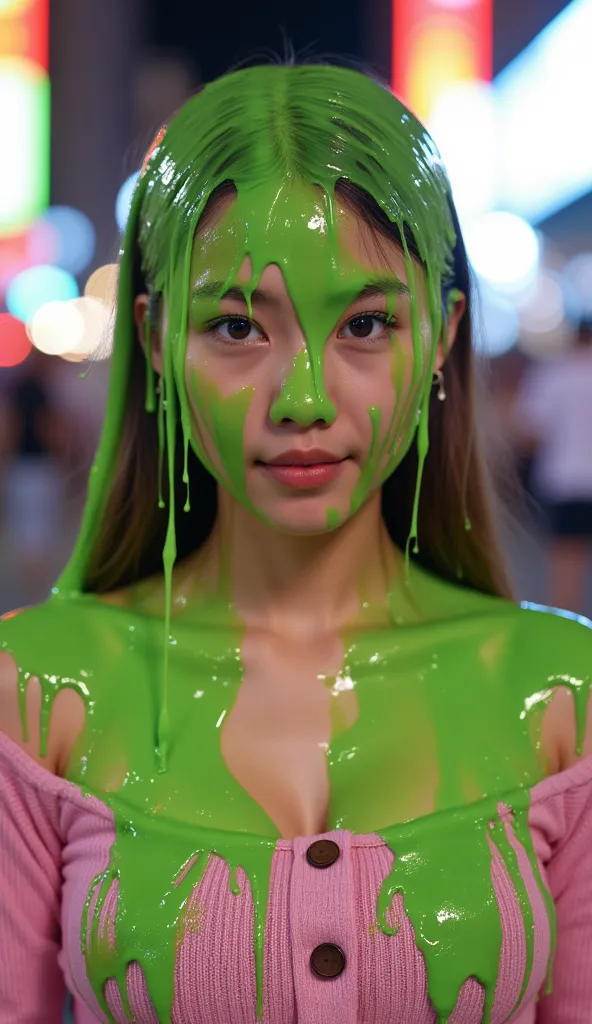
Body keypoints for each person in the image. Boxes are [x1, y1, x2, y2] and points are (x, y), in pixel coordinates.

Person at [0, 62, 591, 1024]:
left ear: (442, 338)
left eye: (366, 324)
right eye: (236, 327)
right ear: (154, 343)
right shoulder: (39, 692)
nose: (305, 399)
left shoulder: (564, 696)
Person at [515, 319, 592, 616]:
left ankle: (568, 622)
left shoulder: (554, 373)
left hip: (565, 478)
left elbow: (531, 431)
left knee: (566, 558)